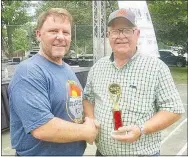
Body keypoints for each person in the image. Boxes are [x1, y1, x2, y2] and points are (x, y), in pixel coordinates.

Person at [83, 8, 185, 156]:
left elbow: (173, 109)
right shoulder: (98, 67)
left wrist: (141, 129)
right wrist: (91, 120)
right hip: (103, 153)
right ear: (108, 35)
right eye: (115, 31)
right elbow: (88, 98)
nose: (121, 36)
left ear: (137, 34)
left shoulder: (156, 68)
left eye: (127, 30)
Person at [8, 8, 99, 156]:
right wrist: (87, 131)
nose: (61, 37)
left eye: (66, 32)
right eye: (53, 31)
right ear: (39, 34)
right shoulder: (29, 72)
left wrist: (91, 118)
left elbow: (77, 105)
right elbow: (43, 128)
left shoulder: (67, 69)